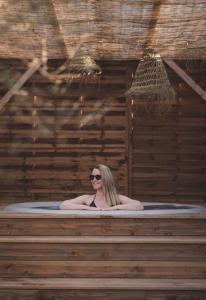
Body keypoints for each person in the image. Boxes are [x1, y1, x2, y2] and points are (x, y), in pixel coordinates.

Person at [59, 164, 144, 210]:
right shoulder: (87, 199)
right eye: (92, 177)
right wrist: (87, 208)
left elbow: (139, 205)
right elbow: (63, 205)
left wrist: (115, 208)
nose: (94, 180)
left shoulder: (117, 199)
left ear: (106, 178)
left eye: (98, 177)